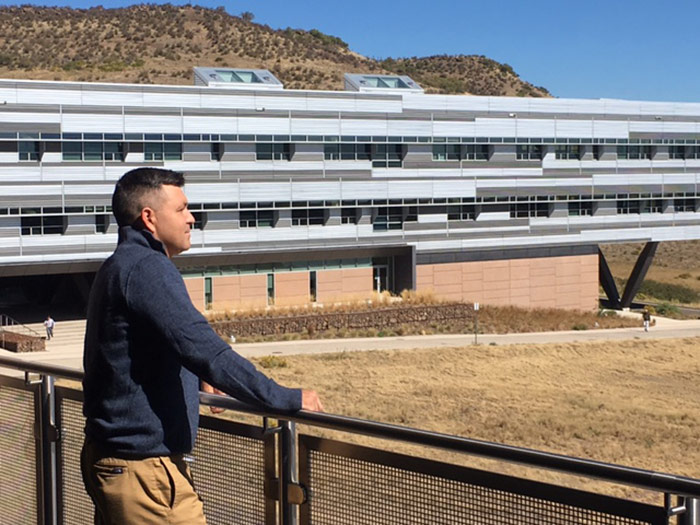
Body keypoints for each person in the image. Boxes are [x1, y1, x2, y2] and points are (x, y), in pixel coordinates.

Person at [81, 167, 323, 525]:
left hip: (116, 460)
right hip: (143, 473)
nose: (191, 218)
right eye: (180, 209)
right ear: (149, 218)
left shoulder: (120, 265)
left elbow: (138, 353)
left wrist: (192, 378)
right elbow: (206, 348)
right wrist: (285, 399)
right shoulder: (149, 269)